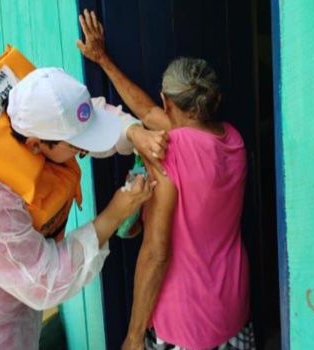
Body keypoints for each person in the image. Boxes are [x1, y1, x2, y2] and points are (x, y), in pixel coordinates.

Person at [0, 67, 167, 349]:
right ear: (36, 146)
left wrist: (133, 132)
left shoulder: (31, 102)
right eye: (78, 149)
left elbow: (81, 118)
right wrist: (115, 214)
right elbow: (44, 280)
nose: (82, 154)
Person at [78, 10, 254, 350]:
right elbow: (147, 113)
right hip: (233, 306)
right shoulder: (234, 140)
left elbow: (156, 253)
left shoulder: (170, 150)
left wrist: (132, 336)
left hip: (185, 319)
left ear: (167, 101)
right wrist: (104, 60)